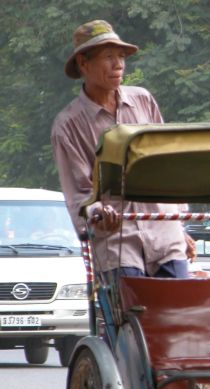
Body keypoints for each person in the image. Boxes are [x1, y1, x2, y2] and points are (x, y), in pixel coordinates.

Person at [51, 20, 195, 278]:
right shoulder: (68, 125)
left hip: (162, 229)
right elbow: (79, 193)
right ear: (84, 63)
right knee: (131, 309)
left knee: (178, 310)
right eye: (108, 57)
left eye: (121, 57)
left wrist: (182, 226)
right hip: (116, 236)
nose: (119, 65)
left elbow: (166, 164)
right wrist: (97, 215)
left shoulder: (143, 100)